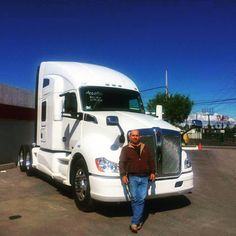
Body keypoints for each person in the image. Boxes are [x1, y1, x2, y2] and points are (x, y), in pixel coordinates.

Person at [119, 129, 156, 233]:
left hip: (145, 177)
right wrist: (123, 175)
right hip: (132, 177)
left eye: (137, 135)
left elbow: (151, 160)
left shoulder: (145, 147)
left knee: (141, 199)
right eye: (133, 135)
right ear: (130, 137)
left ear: (139, 137)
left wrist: (153, 172)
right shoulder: (126, 149)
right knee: (135, 199)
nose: (135, 137)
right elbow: (121, 163)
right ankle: (138, 219)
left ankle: (134, 222)